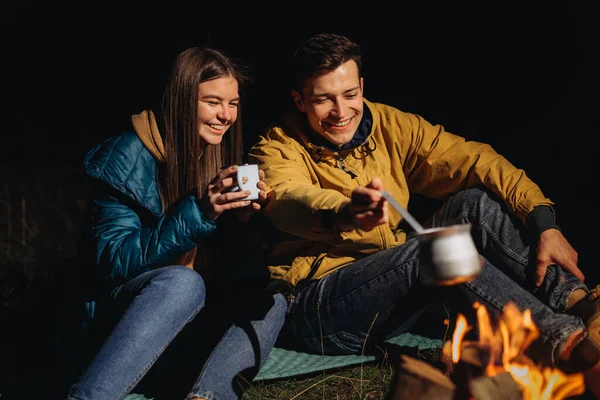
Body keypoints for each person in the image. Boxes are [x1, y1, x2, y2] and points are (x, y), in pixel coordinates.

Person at [247, 33, 600, 397]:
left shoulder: (388, 125)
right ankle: (569, 345)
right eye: (323, 99)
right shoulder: (275, 148)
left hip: (393, 284)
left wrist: (543, 221)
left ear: (362, 87)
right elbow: (289, 199)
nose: (341, 111)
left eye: (350, 94)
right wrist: (345, 212)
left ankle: (585, 306)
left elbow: (475, 160)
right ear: (299, 100)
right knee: (432, 251)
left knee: (474, 202)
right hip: (321, 308)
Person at [64, 46, 287, 400]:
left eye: (233, 103)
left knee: (271, 301)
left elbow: (226, 271)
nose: (226, 115)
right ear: (182, 101)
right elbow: (113, 260)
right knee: (182, 283)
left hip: (186, 329)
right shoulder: (128, 154)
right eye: (213, 102)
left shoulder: (215, 153)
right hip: (119, 329)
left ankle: (206, 396)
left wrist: (243, 222)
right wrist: (201, 213)